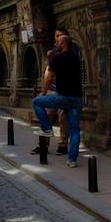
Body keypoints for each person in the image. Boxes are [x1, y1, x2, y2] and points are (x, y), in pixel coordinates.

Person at [33, 31, 83, 167]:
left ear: (63, 44)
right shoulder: (76, 57)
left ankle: (47, 128)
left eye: (58, 42)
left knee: (36, 102)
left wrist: (43, 92)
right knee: (74, 130)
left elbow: (49, 77)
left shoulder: (57, 58)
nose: (56, 44)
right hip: (76, 99)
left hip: (62, 97)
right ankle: (72, 160)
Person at [32, 26, 70, 157]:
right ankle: (43, 145)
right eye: (56, 36)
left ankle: (63, 145)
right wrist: (45, 90)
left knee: (64, 118)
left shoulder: (70, 51)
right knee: (46, 115)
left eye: (60, 36)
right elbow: (48, 73)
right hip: (52, 90)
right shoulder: (52, 53)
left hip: (65, 91)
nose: (58, 38)